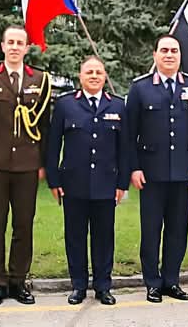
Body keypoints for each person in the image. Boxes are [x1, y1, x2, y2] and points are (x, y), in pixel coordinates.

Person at [0, 25, 52, 306]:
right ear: (3, 46)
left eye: (20, 43)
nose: (15, 47)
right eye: (11, 42)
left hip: (27, 164)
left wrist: (43, 162)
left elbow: (45, 125)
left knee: (23, 224)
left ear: (27, 48)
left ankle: (18, 281)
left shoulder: (39, 79)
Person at [126, 34, 188, 303]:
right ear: (155, 55)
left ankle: (171, 281)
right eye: (164, 50)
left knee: (177, 230)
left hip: (182, 172)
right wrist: (134, 168)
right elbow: (129, 135)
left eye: (174, 50)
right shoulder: (140, 88)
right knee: (151, 231)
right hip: (150, 173)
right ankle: (152, 283)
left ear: (180, 56)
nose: (169, 55)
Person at [45, 56, 128, 306]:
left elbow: (125, 149)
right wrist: (53, 180)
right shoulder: (65, 105)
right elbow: (53, 145)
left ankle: (103, 286)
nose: (94, 76)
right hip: (73, 183)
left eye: (98, 72)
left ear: (104, 77)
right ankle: (78, 286)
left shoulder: (118, 106)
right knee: (75, 237)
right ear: (80, 76)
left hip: (106, 183)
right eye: (89, 72)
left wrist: (122, 183)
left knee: (104, 238)